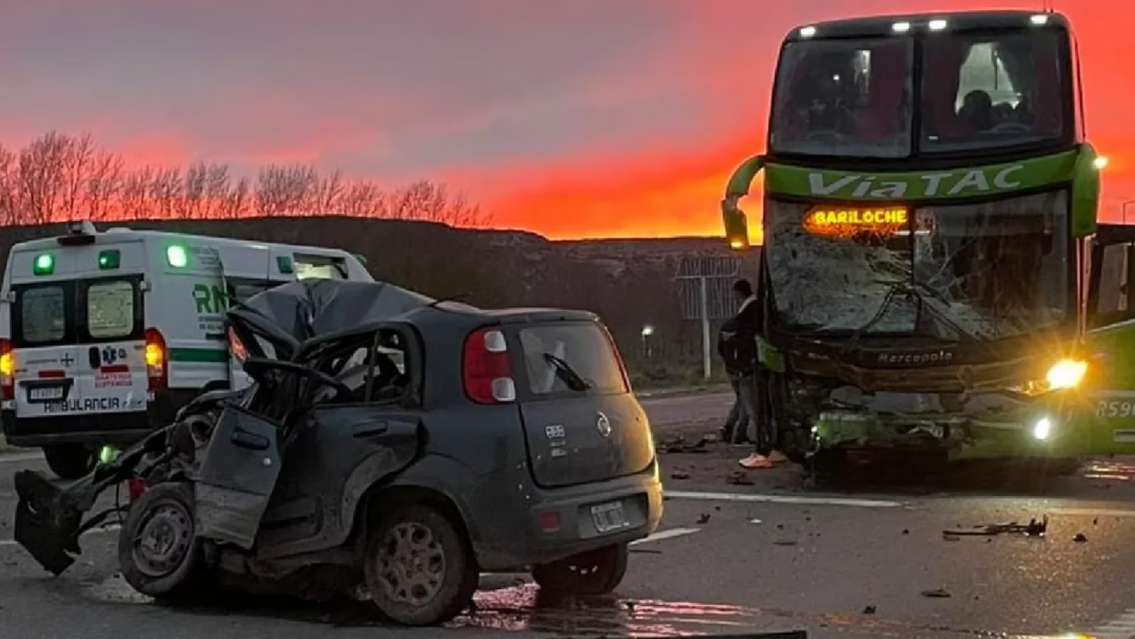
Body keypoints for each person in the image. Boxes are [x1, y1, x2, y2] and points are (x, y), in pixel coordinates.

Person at [729, 279, 777, 470]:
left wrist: (741, 359)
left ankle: (764, 447)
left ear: (739, 293)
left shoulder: (750, 311)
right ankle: (762, 445)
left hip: (750, 365)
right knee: (750, 405)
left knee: (754, 407)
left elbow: (746, 339)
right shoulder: (756, 308)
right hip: (753, 363)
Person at [716, 318, 750, 444]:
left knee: (741, 399)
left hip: (731, 369)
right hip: (742, 370)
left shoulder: (726, 327)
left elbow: (720, 349)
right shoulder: (744, 328)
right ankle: (739, 433)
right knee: (746, 402)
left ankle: (729, 428)